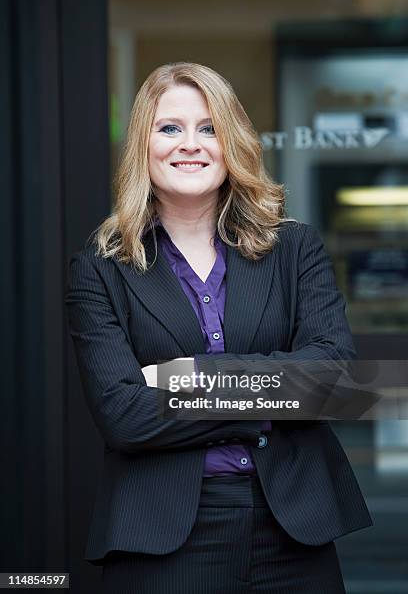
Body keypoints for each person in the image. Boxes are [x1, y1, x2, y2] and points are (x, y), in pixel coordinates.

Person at [65, 62, 372, 593]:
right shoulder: (100, 267)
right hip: (163, 536)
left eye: (209, 128)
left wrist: (181, 376)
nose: (191, 144)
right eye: (170, 128)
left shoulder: (293, 248)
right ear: (143, 143)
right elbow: (126, 418)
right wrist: (272, 392)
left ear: (231, 142)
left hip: (294, 531)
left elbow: (335, 383)